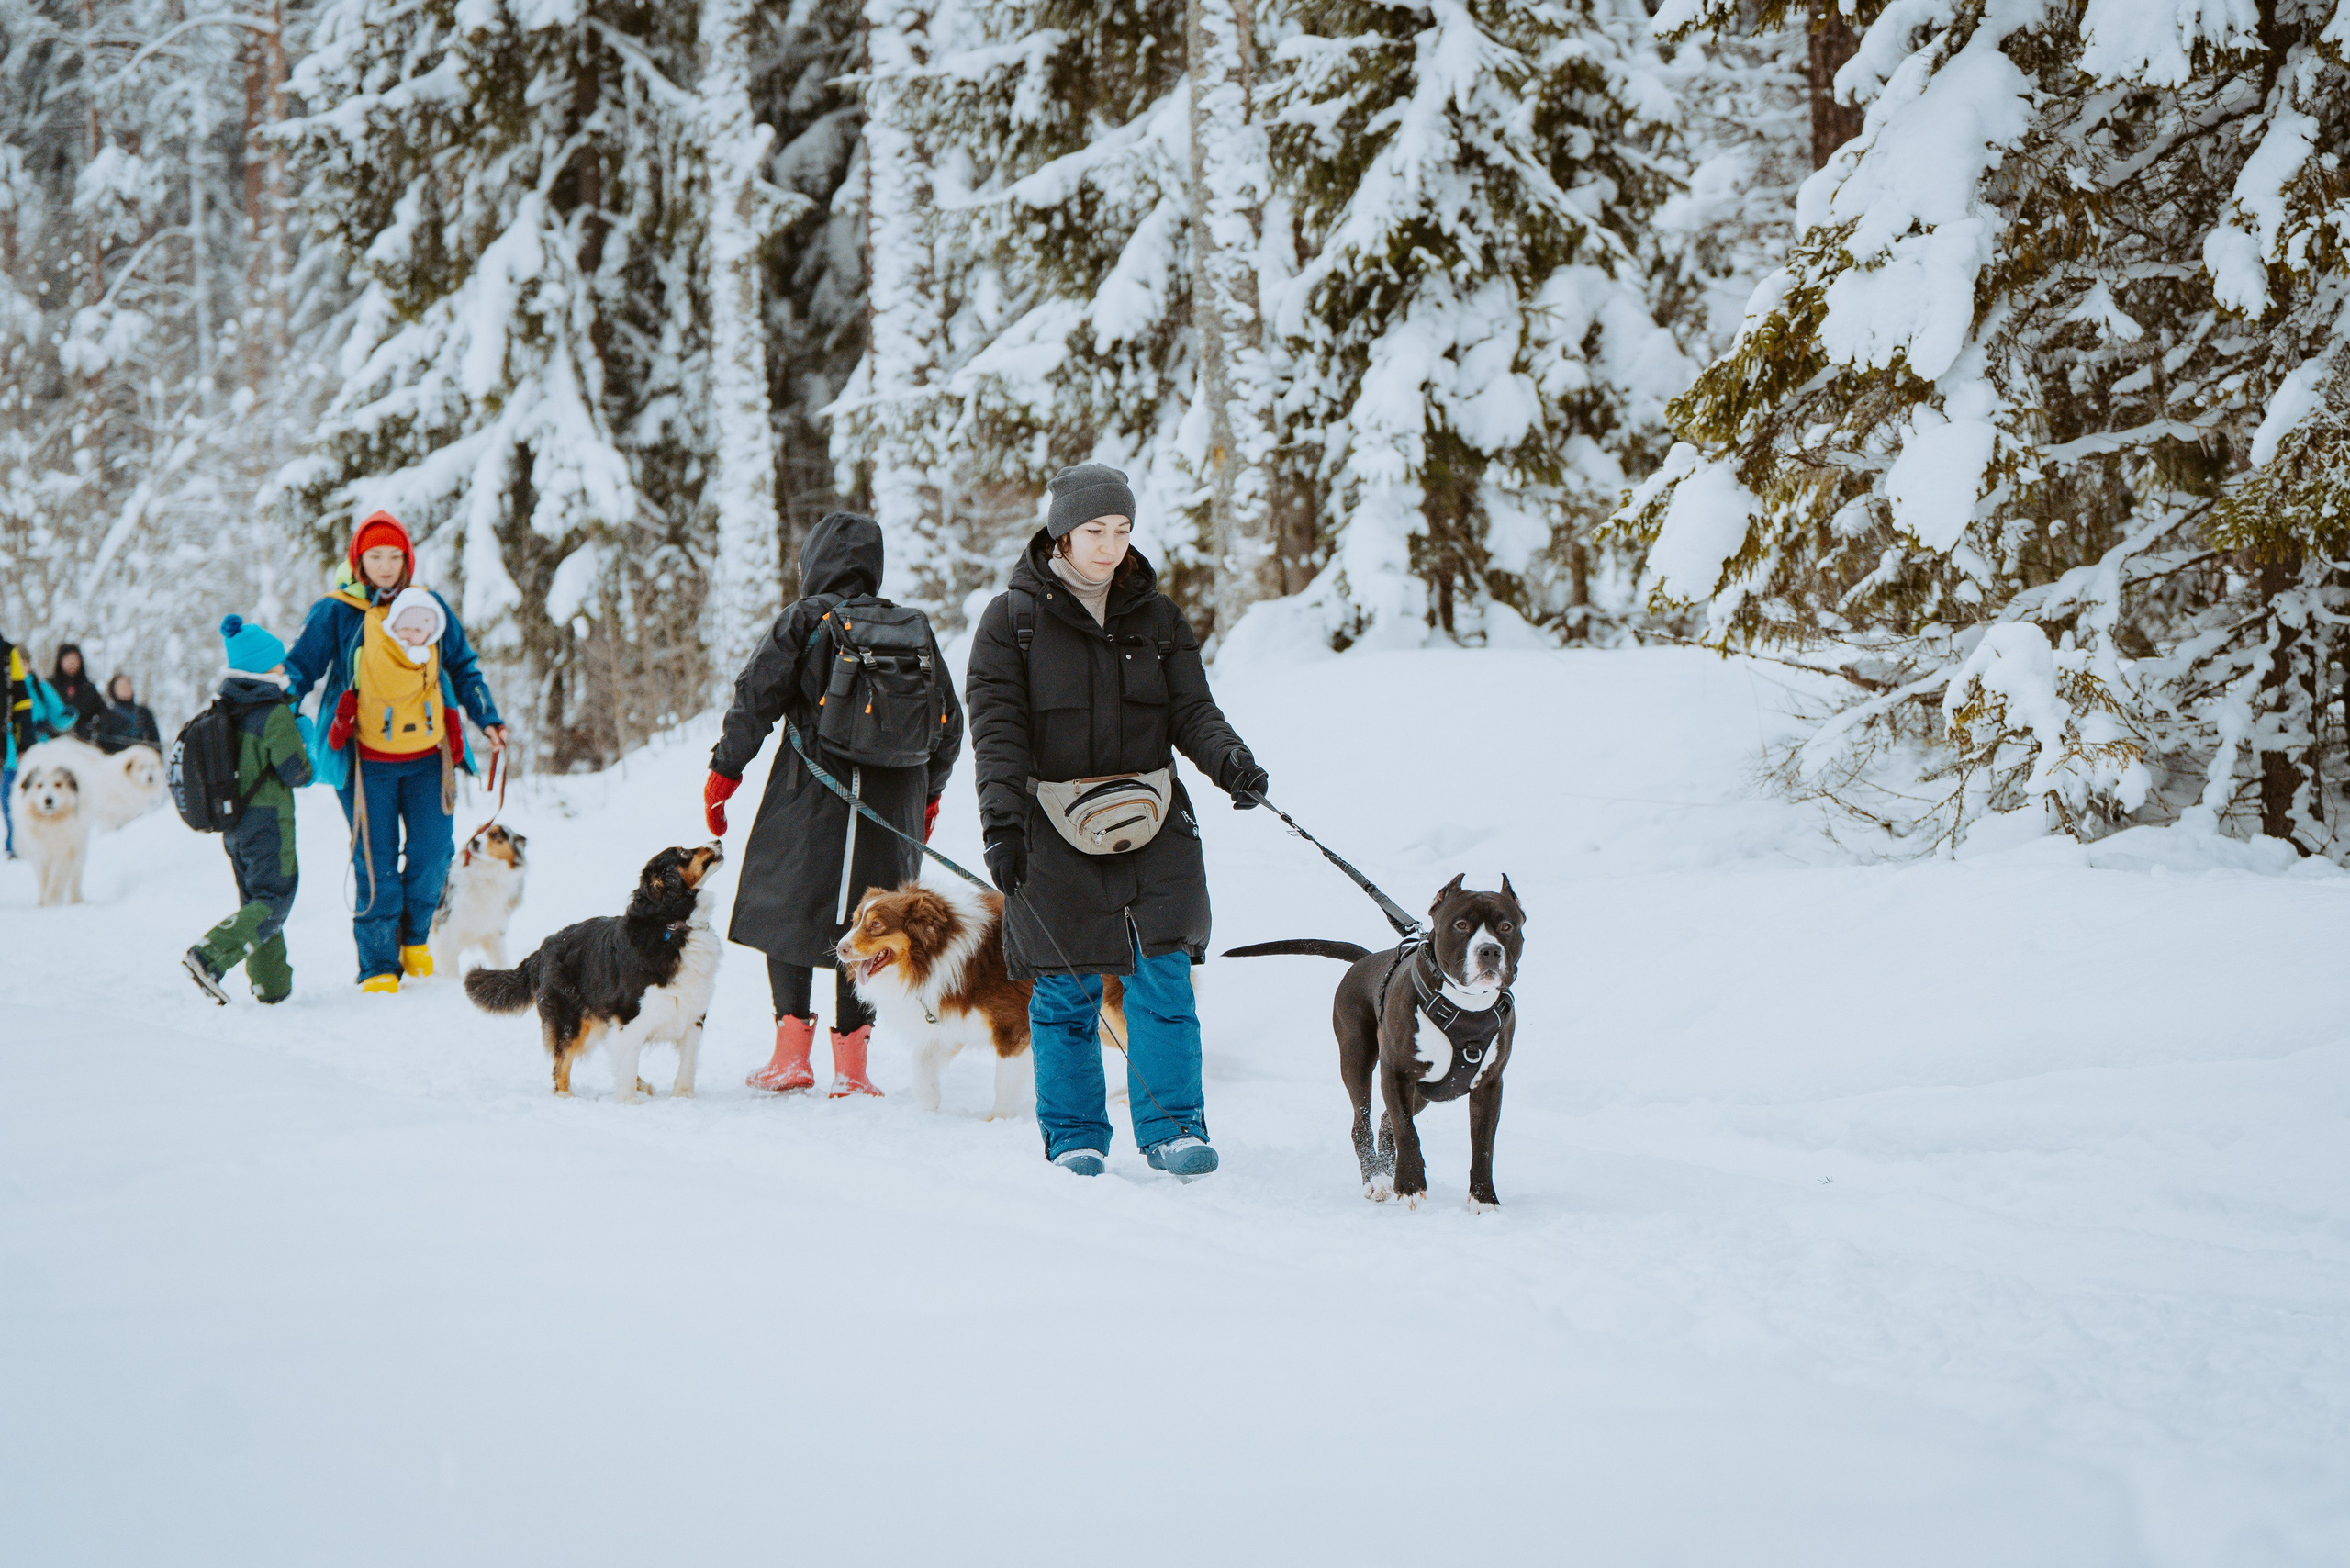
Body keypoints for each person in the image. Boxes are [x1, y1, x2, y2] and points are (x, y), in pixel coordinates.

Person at [962, 464, 1269, 1180]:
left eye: (1122, 530)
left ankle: (1174, 1131)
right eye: (1095, 530)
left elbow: (1193, 711)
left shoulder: (1157, 618)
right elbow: (998, 733)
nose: (1110, 546)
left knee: (1163, 976)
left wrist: (1230, 761)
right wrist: (1001, 826)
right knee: (1064, 987)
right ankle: (1076, 1139)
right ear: (1062, 534)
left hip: (1154, 821)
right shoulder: (1011, 622)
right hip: (1051, 824)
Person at [705, 511, 965, 1096]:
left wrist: (724, 772)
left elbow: (754, 699)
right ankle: (853, 1069)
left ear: (813, 563)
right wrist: (929, 797)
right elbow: (950, 722)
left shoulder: (804, 618)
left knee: (788, 907)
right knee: (872, 920)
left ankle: (790, 1059)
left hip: (810, 791)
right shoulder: (912, 628)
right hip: (893, 803)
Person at [283, 510, 507, 993]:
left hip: (429, 758)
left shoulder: (428, 606)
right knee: (375, 862)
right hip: (365, 762)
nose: (385, 566)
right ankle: (379, 964)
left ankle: (414, 936)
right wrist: (272, 712)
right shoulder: (337, 611)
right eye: (375, 557)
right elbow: (299, 669)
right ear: (358, 561)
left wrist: (487, 717)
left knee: (433, 854)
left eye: (394, 556)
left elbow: (463, 666)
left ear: (407, 560)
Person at [183, 616, 312, 1006]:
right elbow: (298, 773)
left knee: (256, 901)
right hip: (269, 821)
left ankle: (270, 985)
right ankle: (208, 956)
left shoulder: (227, 709)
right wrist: (303, 735)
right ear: (262, 668)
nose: (284, 668)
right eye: (278, 662)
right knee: (274, 900)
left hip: (235, 823)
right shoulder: (273, 713)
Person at [48, 643, 106, 739]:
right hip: (54, 740)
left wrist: (92, 727)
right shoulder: (49, 686)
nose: (71, 662)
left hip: (83, 741)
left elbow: (103, 713)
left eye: (75, 658)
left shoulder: (88, 688)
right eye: (67, 658)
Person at [93, 673, 162, 753]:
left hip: (141, 755)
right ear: (113, 690)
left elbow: (155, 740)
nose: (125, 688)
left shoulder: (144, 712)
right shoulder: (107, 715)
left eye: (127, 684)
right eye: (121, 686)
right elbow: (102, 743)